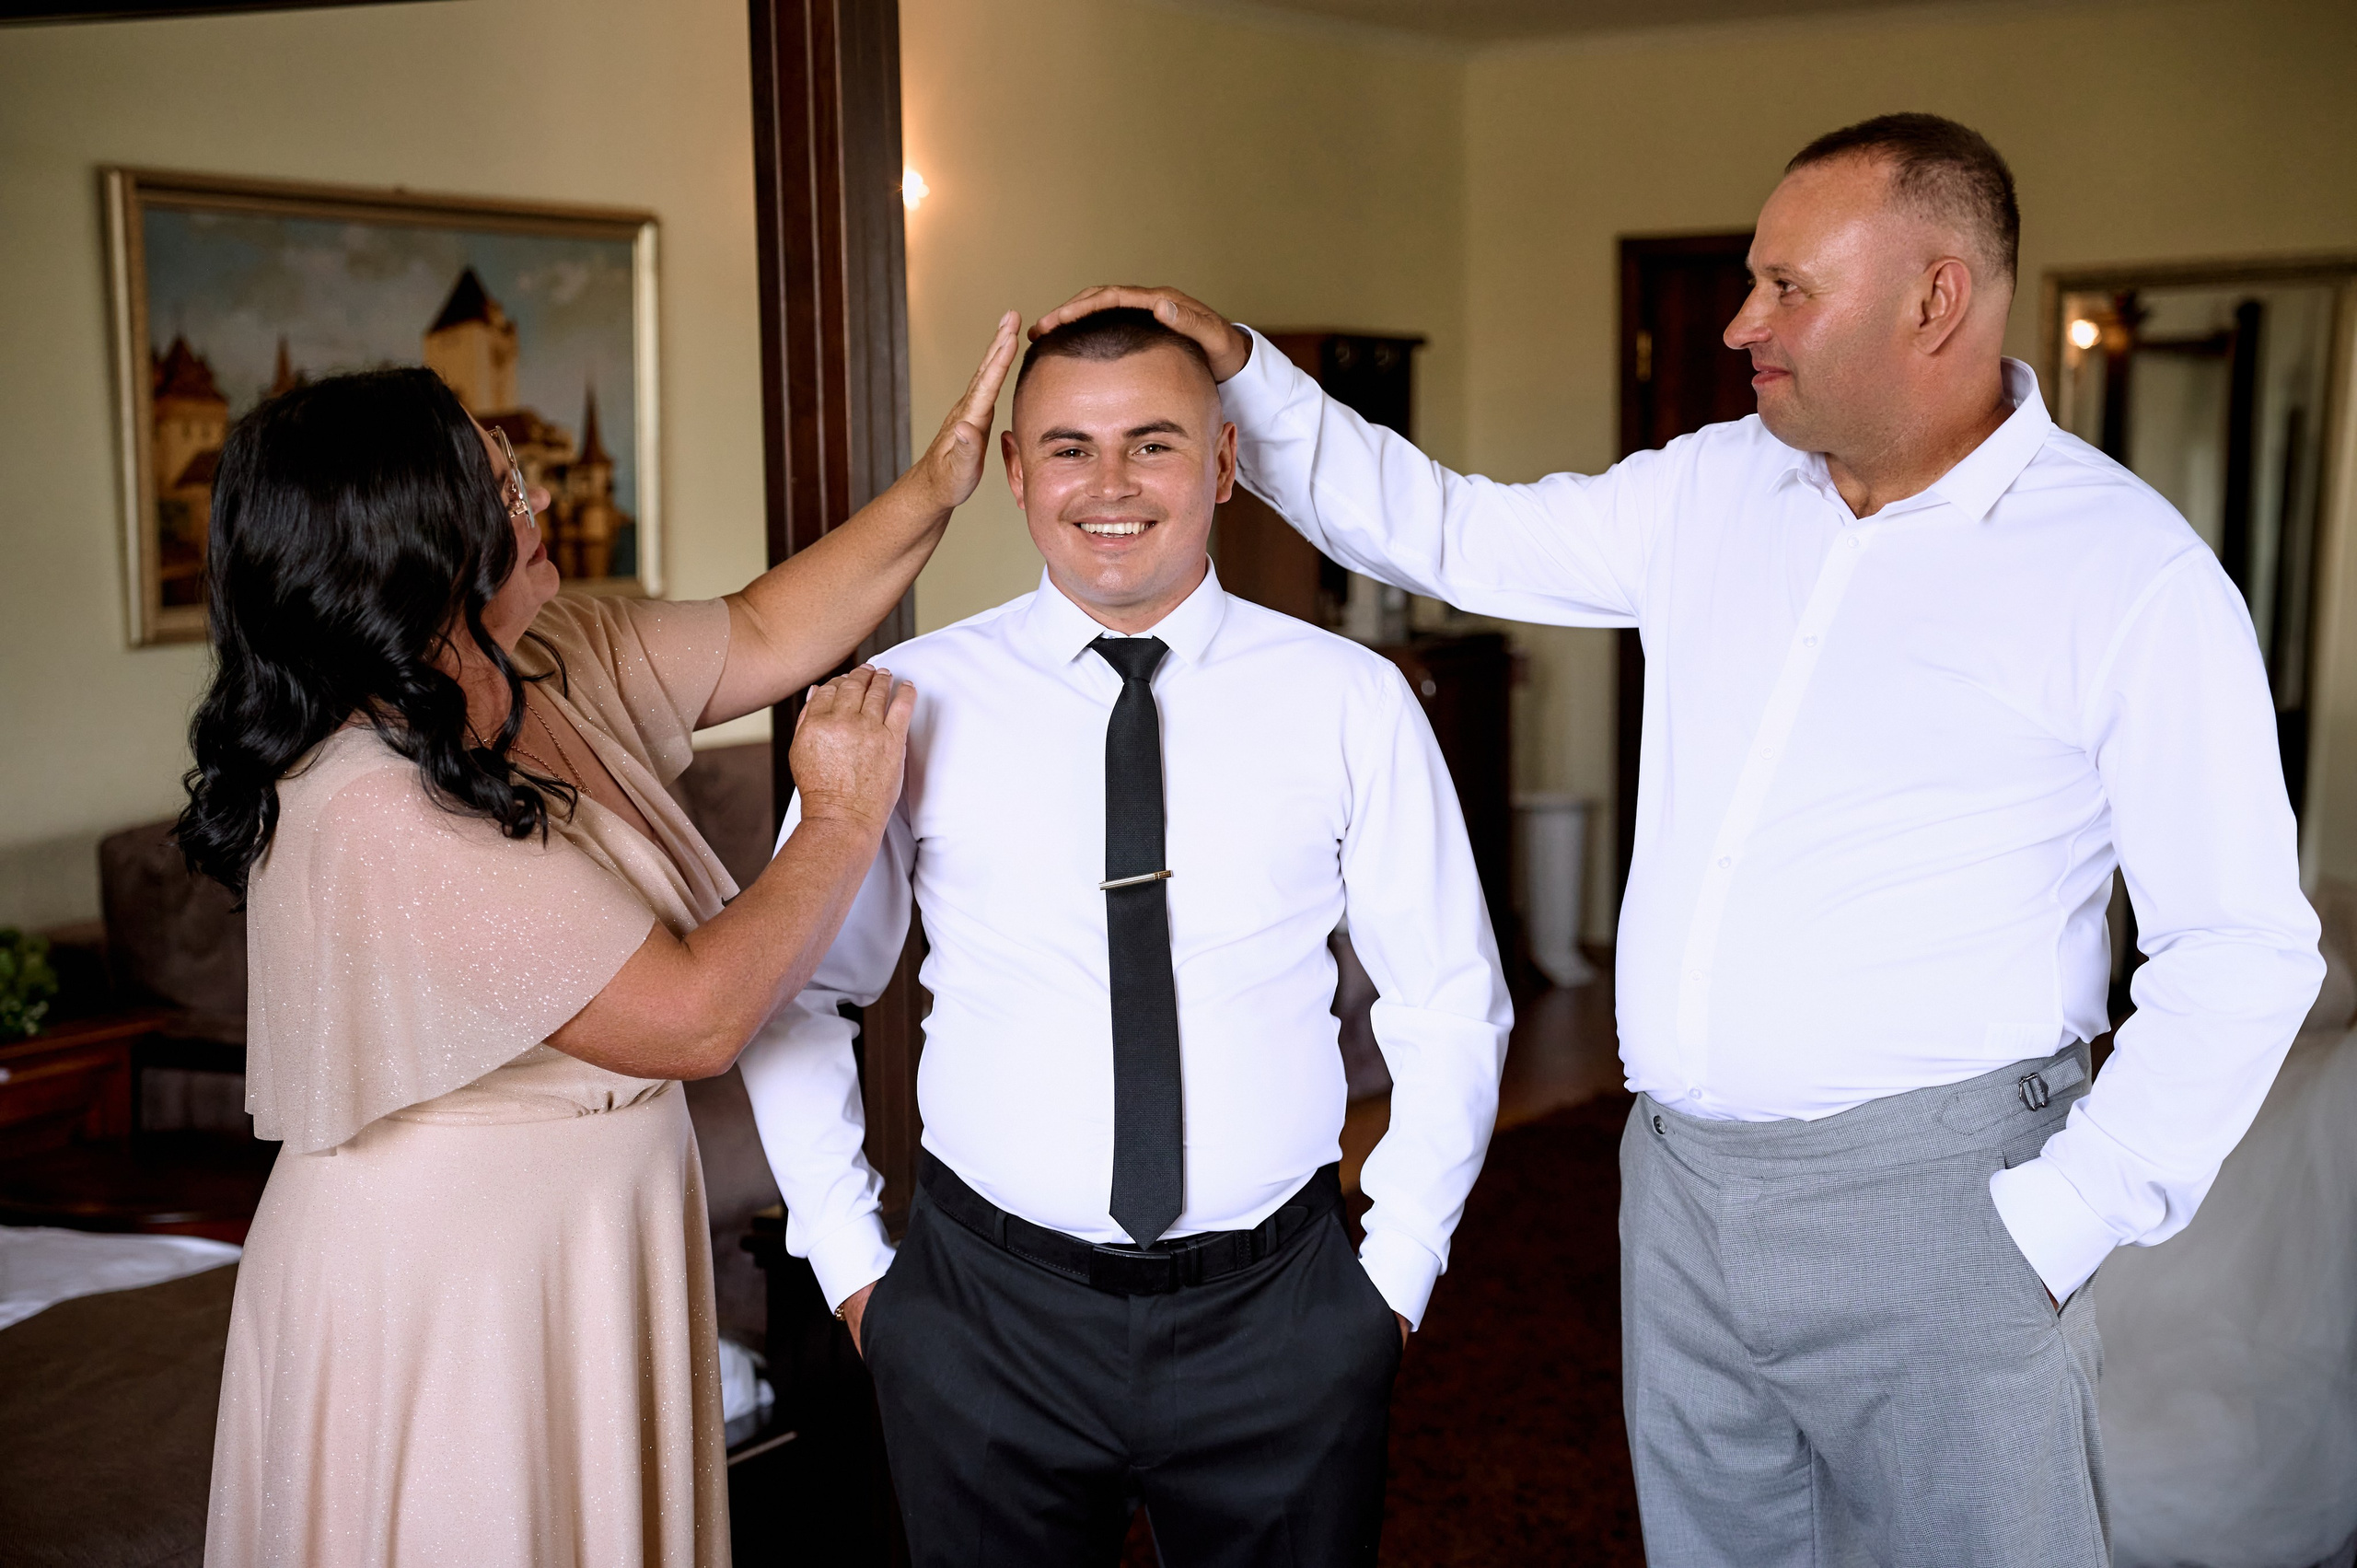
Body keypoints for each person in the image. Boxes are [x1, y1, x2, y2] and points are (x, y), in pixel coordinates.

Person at [1033, 112, 2325, 1567]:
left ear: (1936, 298)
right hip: (1681, 1201)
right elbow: (1451, 531)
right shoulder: (1714, 485)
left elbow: (2243, 948)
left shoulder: (2129, 572)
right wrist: (1249, 382)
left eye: (1787, 289)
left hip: (1948, 1209)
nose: (1737, 324)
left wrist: (2053, 1228)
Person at [183, 311, 1020, 1568]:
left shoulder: (540, 659)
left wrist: (938, 486)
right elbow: (694, 1016)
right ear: (423, 549)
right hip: (453, 1281)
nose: (530, 492)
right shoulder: (371, 800)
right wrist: (841, 815)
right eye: (502, 481)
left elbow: (767, 629)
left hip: (587, 1236)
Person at [737, 308, 1510, 1566]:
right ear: (1014, 473)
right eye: (1067, 448)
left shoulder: (1351, 700)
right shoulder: (906, 701)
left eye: (1152, 446)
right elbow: (797, 994)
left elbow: (1449, 1003)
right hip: (981, 1320)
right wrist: (859, 1274)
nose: (1108, 487)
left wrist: (1394, 1282)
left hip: (1282, 1316)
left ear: (1219, 463)